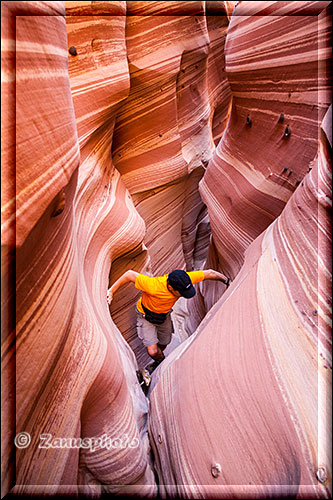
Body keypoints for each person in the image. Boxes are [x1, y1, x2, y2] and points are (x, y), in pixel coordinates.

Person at [107, 268, 230, 367]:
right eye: (181, 293)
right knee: (153, 351)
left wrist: (227, 281)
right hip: (146, 317)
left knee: (165, 342)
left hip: (163, 316)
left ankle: (159, 357)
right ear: (171, 287)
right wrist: (111, 291)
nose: (183, 295)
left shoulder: (184, 280)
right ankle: (160, 361)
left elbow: (210, 273)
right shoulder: (153, 285)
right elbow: (129, 275)